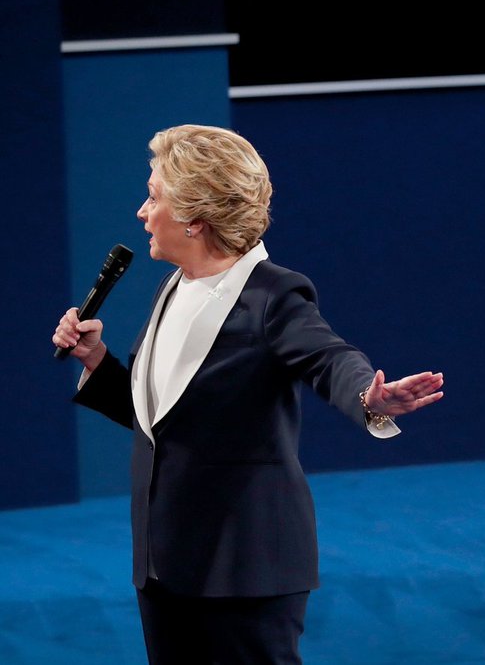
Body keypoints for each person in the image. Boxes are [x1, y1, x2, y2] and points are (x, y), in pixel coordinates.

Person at [52, 124, 445, 664]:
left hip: (246, 565)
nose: (142, 213)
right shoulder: (174, 287)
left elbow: (331, 358)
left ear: (194, 218)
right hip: (164, 562)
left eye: (153, 197)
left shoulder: (272, 296)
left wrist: (368, 398)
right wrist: (97, 362)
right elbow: (164, 419)